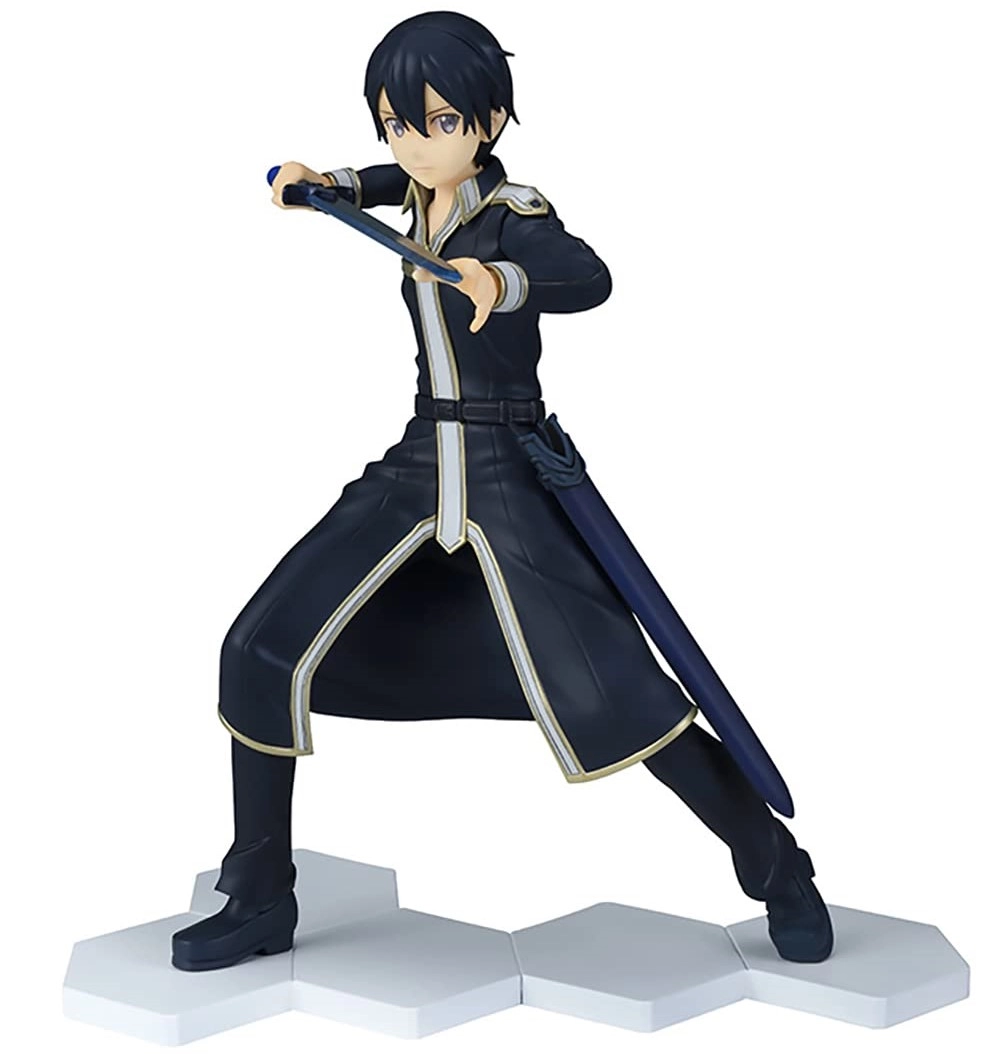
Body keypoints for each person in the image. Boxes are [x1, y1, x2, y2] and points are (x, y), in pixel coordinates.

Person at [171, 10, 833, 972]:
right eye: (396, 123)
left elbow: (588, 277)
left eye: (440, 121)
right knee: (260, 645)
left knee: (614, 689)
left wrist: (501, 280)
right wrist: (325, 183)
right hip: (418, 460)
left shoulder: (516, 213)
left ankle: (777, 868)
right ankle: (260, 892)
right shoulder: (420, 186)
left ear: (486, 121)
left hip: (506, 467)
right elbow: (386, 181)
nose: (415, 142)